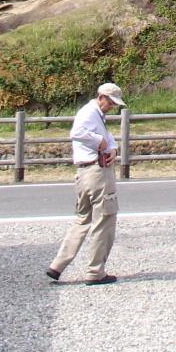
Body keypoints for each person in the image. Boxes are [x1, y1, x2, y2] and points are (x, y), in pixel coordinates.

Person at [46, 82, 125, 285]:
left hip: (84, 173)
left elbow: (108, 139)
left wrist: (112, 149)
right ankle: (95, 271)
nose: (112, 106)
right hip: (97, 172)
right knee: (104, 220)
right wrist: (100, 142)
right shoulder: (90, 113)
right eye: (110, 102)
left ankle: (58, 265)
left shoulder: (96, 115)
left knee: (82, 219)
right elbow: (77, 133)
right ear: (101, 97)